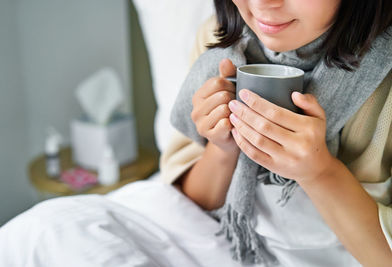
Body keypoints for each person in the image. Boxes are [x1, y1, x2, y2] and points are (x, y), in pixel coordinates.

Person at [161, 0, 392, 266]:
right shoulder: (218, 38)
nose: (262, 4)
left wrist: (319, 172)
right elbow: (190, 205)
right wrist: (223, 148)